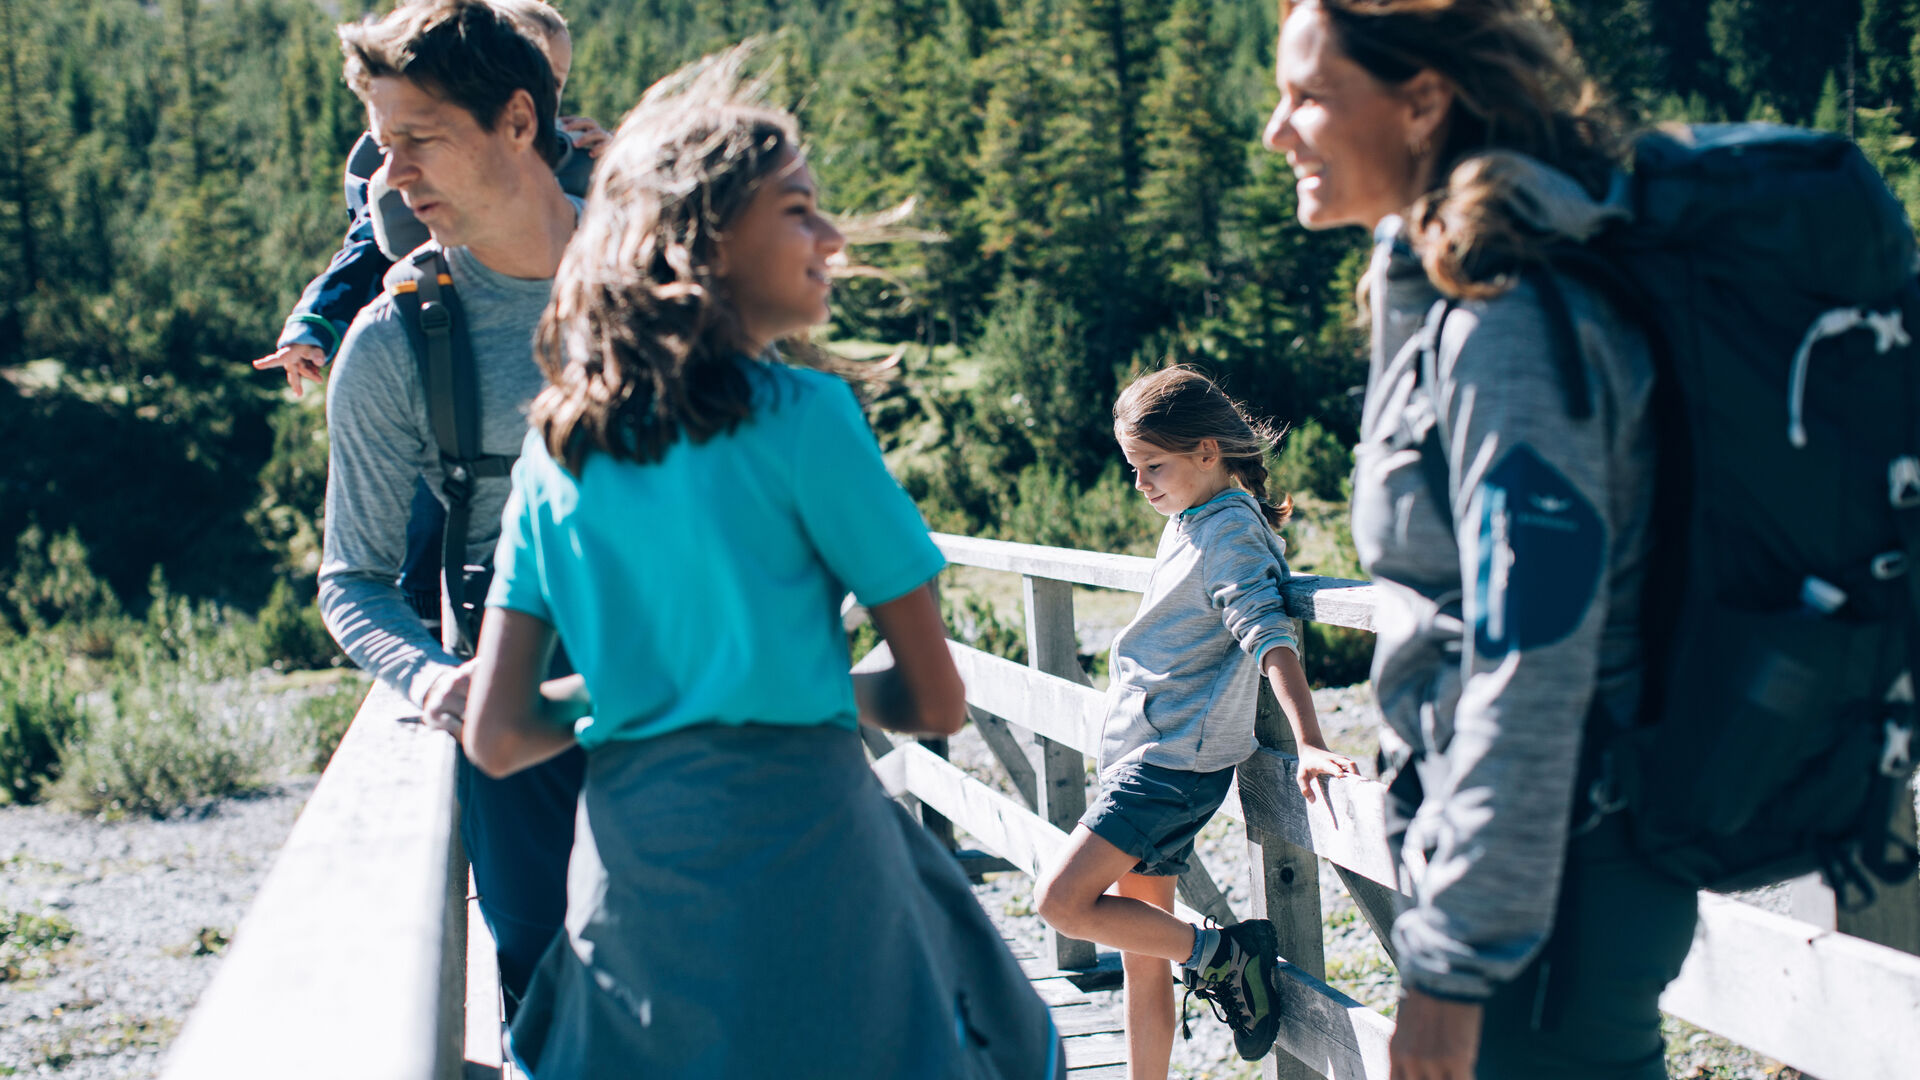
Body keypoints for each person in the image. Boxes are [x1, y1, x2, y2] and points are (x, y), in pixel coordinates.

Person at [455, 48, 1064, 1078]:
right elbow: (936, 698)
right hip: (815, 868)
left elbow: (501, 736)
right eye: (799, 209)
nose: (831, 236)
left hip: (636, 883)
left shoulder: (554, 452)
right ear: (703, 240)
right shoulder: (810, 418)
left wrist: (643, 692)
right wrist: (782, 678)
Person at [1261, 2, 1696, 1078]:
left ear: (1421, 103)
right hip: (1538, 891)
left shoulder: (1510, 323)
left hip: (1553, 908)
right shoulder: (1460, 295)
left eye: (1309, 95)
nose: (1278, 131)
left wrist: (1454, 969)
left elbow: (1532, 661)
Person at [314, 0, 588, 1023]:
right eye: (383, 149)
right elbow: (354, 581)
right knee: (551, 1008)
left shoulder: (672, 294)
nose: (392, 179)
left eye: (417, 139)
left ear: (519, 121)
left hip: (697, 704)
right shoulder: (396, 342)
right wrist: (434, 682)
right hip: (516, 723)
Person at [1032, 366, 1359, 1076]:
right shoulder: (1196, 518)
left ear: (1208, 450)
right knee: (1143, 956)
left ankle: (1224, 954)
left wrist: (1309, 743)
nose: (1140, 484)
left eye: (1152, 466)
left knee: (1059, 902)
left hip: (1169, 767)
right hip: (1146, 755)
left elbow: (1268, 635)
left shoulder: (1229, 532)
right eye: (1131, 468)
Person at [252, 0, 608, 399]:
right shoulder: (401, 188)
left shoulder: (574, 149)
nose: (542, 93)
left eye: (554, 82)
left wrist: (613, 160)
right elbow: (361, 256)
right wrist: (313, 324)